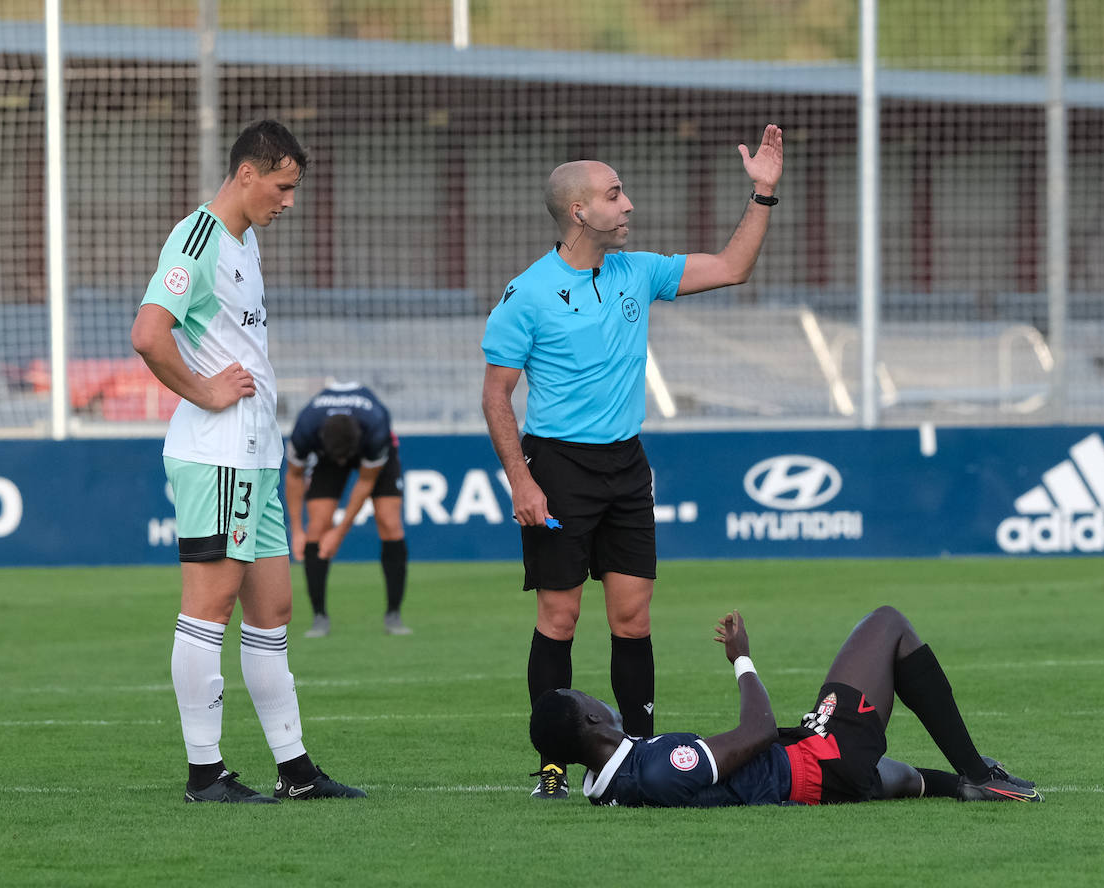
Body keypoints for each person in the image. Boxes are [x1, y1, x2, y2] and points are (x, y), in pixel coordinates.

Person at [481, 125, 785, 800]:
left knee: (633, 619)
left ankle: (638, 751)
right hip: (556, 466)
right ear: (580, 211)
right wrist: (523, 481)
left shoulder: (637, 271)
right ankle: (554, 766)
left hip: (625, 465)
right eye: (615, 194)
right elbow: (496, 396)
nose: (629, 205)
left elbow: (733, 267)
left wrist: (763, 194)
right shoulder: (527, 293)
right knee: (559, 619)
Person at [131, 120, 365, 804]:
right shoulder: (196, 239)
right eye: (283, 186)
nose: (289, 200)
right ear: (247, 175)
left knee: (274, 609)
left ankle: (294, 772)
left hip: (257, 456)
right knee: (209, 608)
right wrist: (204, 390)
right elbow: (149, 334)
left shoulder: (246, 239)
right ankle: (205, 774)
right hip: (220, 455)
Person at [530, 606, 1043, 807]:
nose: (595, 694)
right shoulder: (657, 769)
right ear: (592, 718)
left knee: (904, 780)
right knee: (887, 625)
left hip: (817, 765)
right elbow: (754, 732)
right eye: (586, 697)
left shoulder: (604, 783)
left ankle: (964, 786)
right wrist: (742, 659)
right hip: (818, 762)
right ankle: (979, 774)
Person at [285, 382, 410, 638]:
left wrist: (340, 532)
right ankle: (319, 616)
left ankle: (393, 614)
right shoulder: (305, 428)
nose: (344, 464)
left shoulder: (376, 427)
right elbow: (294, 476)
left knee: (389, 523)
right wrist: (296, 529)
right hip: (328, 451)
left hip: (372, 451)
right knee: (316, 529)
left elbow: (365, 481)